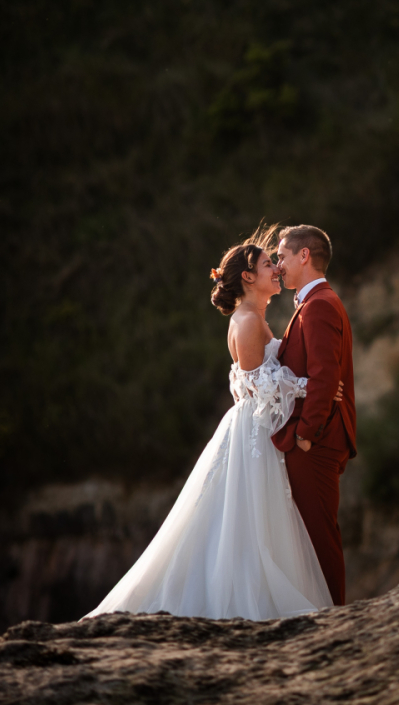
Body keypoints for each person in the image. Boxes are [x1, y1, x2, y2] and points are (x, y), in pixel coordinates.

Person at [86, 232, 336, 619]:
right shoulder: (249, 322)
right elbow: (261, 386)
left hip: (255, 431)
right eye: (269, 264)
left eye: (276, 260)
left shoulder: (254, 318)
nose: (277, 268)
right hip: (253, 435)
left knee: (250, 521)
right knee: (246, 520)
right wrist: (312, 387)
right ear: (249, 278)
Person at [269, 224, 356, 606]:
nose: (278, 265)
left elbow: (325, 376)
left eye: (282, 256)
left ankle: (335, 617)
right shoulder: (313, 302)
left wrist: (305, 434)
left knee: (320, 535)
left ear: (304, 256)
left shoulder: (319, 304)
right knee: (313, 532)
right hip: (318, 438)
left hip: (316, 441)